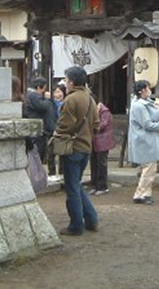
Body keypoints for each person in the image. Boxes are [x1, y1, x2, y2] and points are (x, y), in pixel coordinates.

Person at [54, 66, 99, 235]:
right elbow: (96, 124)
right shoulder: (90, 99)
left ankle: (76, 226)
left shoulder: (71, 100)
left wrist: (57, 132)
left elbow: (64, 125)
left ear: (71, 82)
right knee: (76, 185)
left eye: (66, 80)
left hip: (72, 148)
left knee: (72, 188)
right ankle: (91, 219)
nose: (65, 84)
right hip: (86, 147)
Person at [128, 80, 159, 205]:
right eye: (147, 88)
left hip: (146, 140)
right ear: (142, 90)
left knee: (149, 168)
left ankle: (146, 193)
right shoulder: (139, 106)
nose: (149, 90)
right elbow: (147, 124)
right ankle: (140, 194)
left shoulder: (141, 103)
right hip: (145, 140)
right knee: (149, 168)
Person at [23, 76, 57, 167]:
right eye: (44, 89)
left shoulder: (30, 95)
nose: (44, 92)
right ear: (38, 87)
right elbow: (43, 106)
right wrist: (48, 99)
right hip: (36, 130)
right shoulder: (34, 96)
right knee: (37, 155)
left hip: (37, 129)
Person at [89, 101, 115, 195]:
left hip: (102, 141)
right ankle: (94, 185)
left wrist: (90, 126)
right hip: (94, 141)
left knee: (101, 164)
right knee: (94, 163)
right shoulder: (95, 111)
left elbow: (102, 125)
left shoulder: (104, 111)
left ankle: (102, 186)